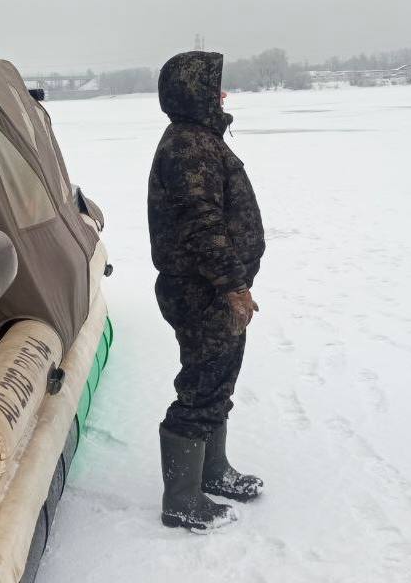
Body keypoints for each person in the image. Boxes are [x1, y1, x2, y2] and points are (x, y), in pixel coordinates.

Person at [147, 50, 266, 532]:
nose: (222, 95)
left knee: (219, 378)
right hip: (201, 290)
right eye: (214, 87)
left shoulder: (200, 139)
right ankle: (181, 501)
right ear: (194, 92)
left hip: (213, 288)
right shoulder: (189, 146)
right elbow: (202, 223)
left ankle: (212, 471)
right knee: (201, 386)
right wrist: (232, 283)